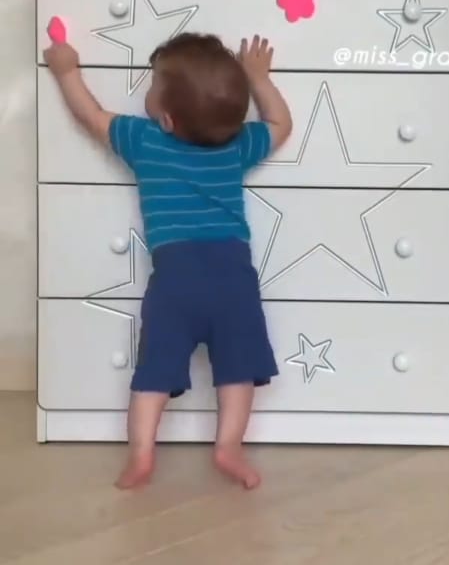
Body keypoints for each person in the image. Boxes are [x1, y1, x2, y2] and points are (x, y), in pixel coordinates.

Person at [44, 32, 292, 490]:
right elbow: (280, 123)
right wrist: (259, 79)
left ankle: (141, 455)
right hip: (234, 281)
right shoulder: (238, 145)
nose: (148, 88)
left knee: (154, 374)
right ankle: (228, 448)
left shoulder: (146, 141)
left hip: (175, 284)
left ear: (168, 118)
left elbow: (90, 115)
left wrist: (66, 72)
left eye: (153, 83)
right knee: (238, 371)